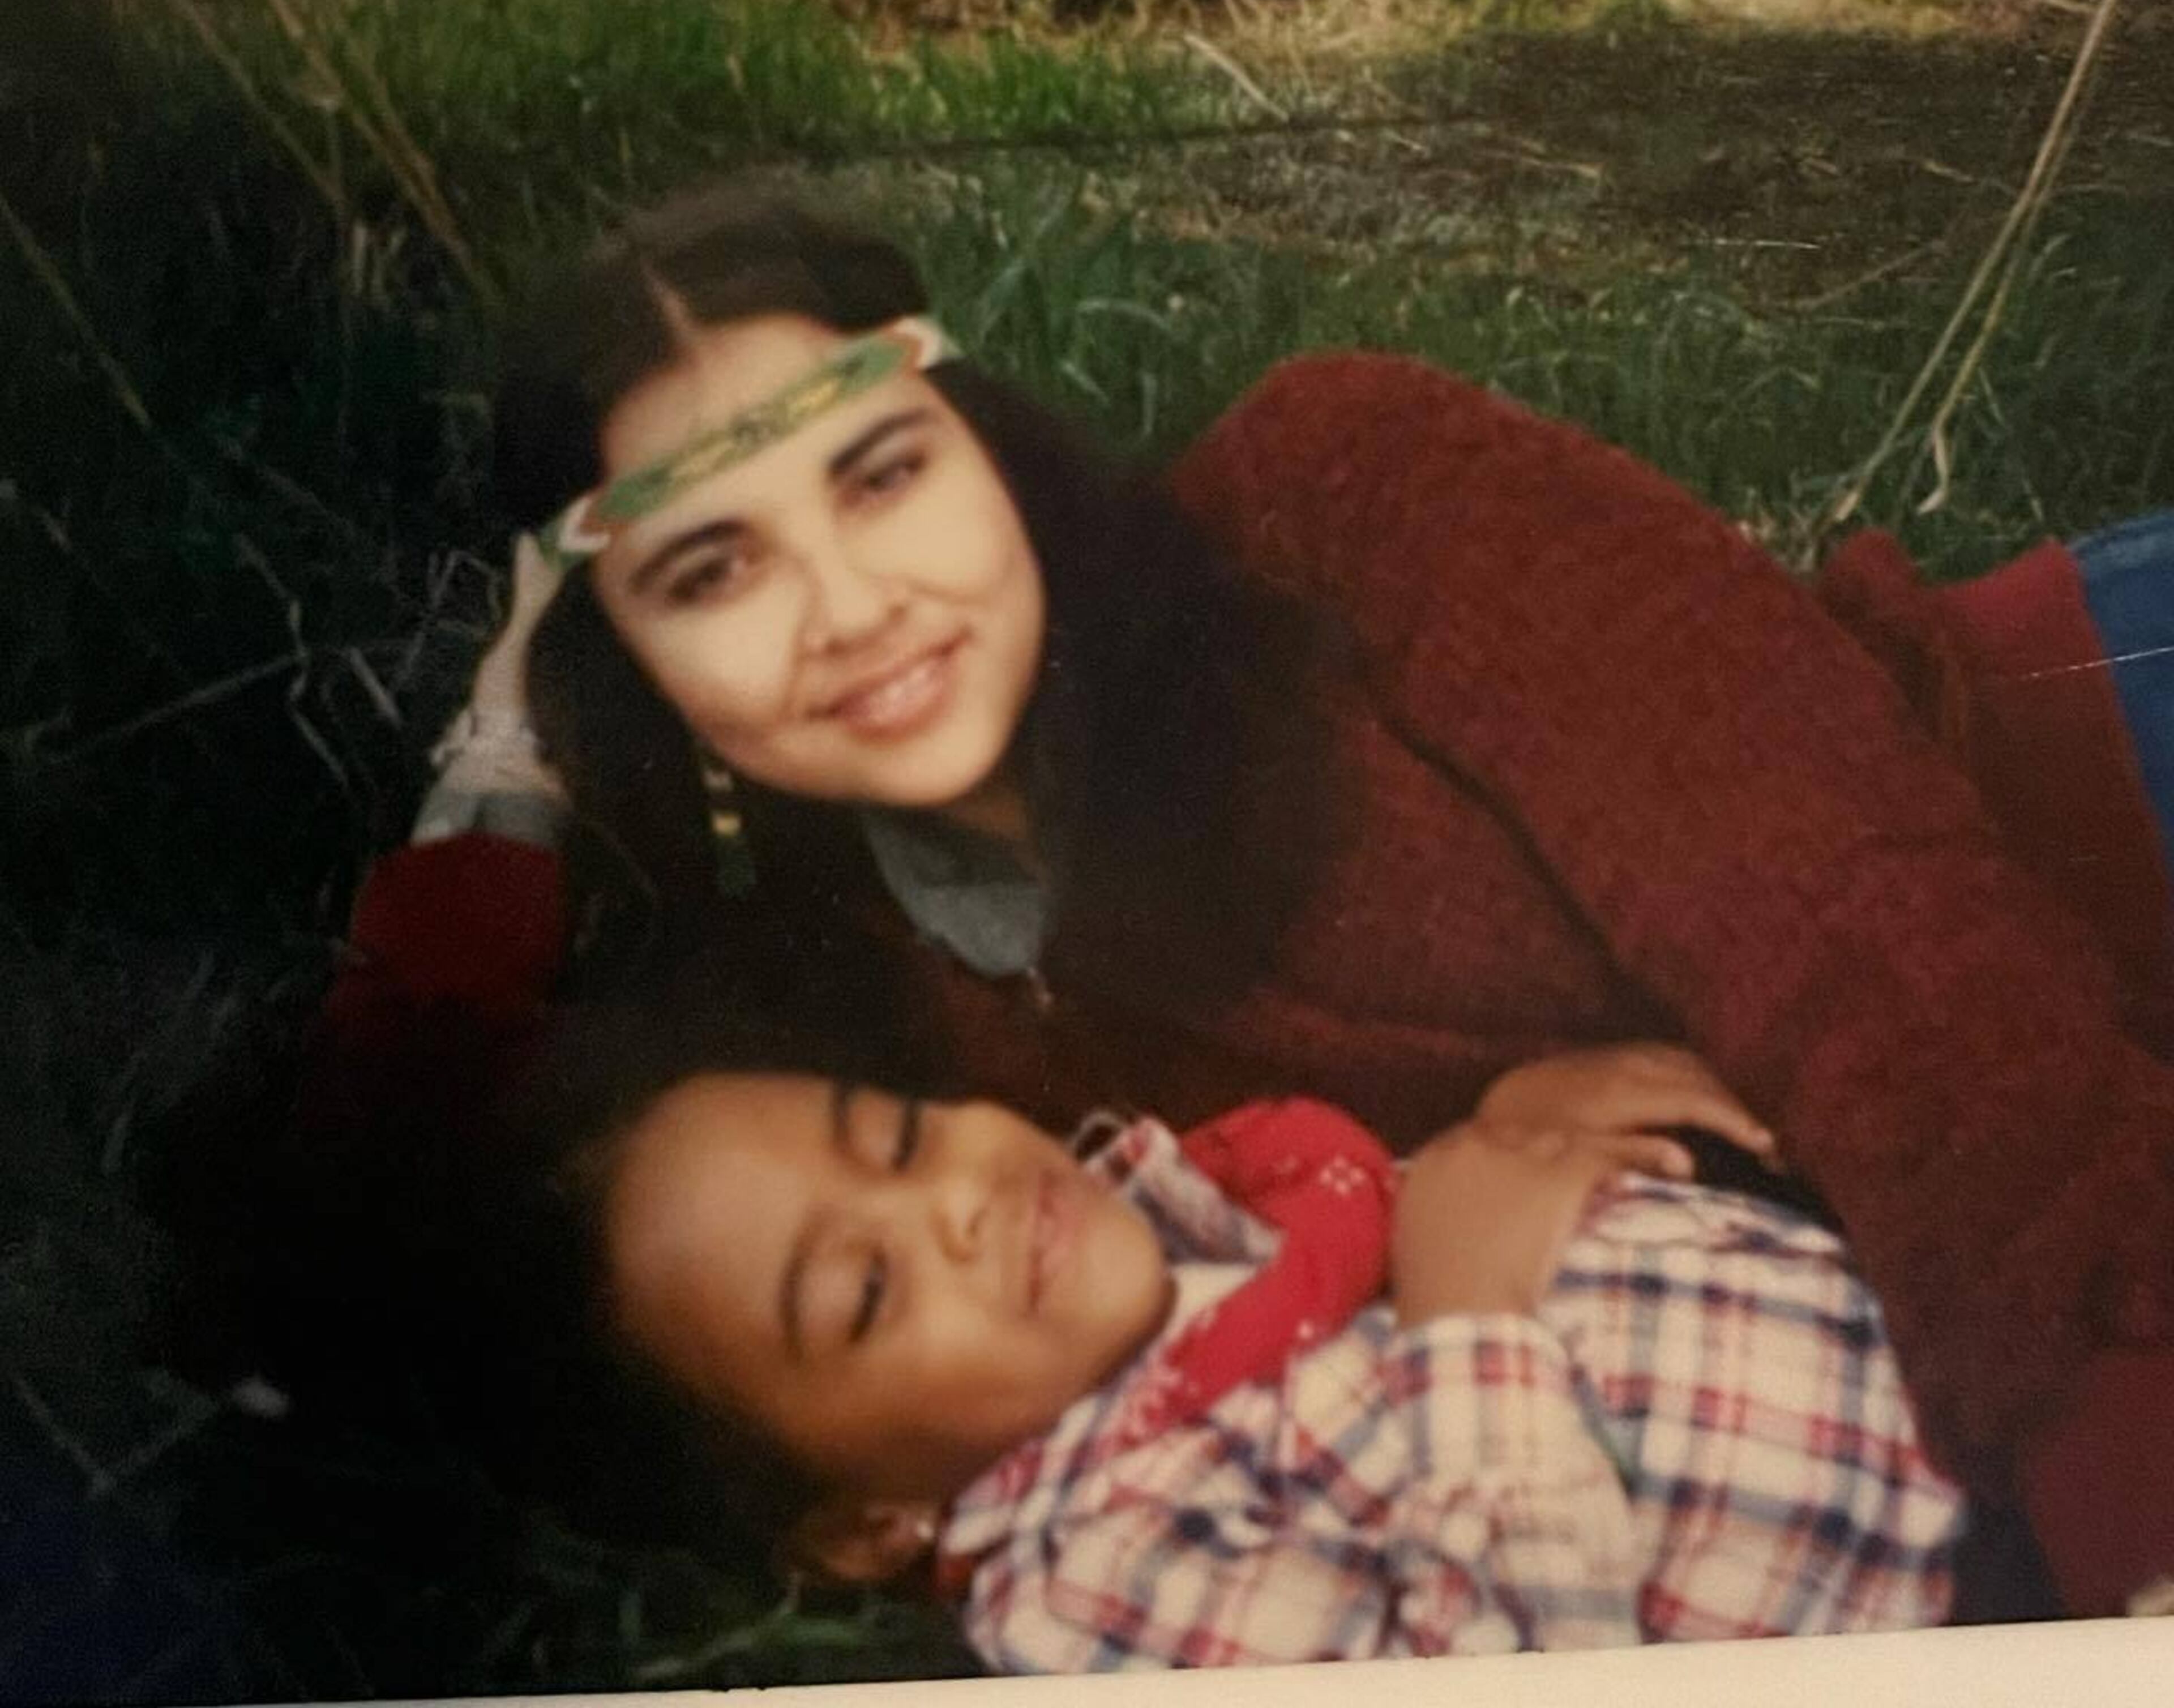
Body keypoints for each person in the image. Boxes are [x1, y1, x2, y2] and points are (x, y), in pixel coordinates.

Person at [309, 179, 2174, 1616]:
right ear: (634, 666)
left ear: (981, 438)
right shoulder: (917, 1046)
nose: (856, 605)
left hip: (2105, 792)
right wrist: (503, 780)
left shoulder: (1333, 494)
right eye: (714, 569)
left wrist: (2130, 1495)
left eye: (882, 472)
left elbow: (1859, 921)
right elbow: (375, 1187)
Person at [476, 1022, 1966, 1671]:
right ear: (869, 1524)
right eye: (865, 1294)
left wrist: (1519, 1122)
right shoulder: (1089, 1593)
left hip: (1957, 1329)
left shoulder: (1219, 1217)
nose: (960, 1201)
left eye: (905, 1132)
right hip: (1975, 1601)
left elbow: (1434, 1213)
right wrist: (1470, 1326)